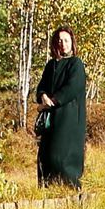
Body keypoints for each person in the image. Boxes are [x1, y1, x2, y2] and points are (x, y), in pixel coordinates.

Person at [35, 26, 88, 190]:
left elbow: (73, 87)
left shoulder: (76, 64)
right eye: (59, 40)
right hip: (51, 121)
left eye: (66, 40)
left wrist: (55, 100)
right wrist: (42, 95)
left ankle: (70, 192)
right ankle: (47, 190)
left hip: (69, 120)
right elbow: (41, 87)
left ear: (72, 42)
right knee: (47, 156)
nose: (63, 44)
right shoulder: (51, 65)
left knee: (64, 157)